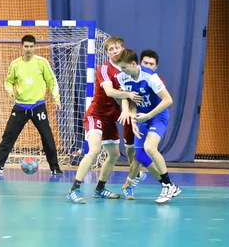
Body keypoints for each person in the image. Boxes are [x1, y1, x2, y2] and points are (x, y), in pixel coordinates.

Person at [67, 36, 143, 204]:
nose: (115, 51)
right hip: (97, 114)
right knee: (94, 150)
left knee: (114, 154)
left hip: (111, 118)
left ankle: (100, 188)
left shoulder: (126, 70)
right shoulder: (104, 69)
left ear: (123, 49)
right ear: (107, 53)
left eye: (117, 48)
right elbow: (110, 92)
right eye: (111, 49)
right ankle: (74, 190)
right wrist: (128, 95)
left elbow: (125, 96)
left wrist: (128, 108)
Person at [0, 34, 63, 175]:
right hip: (20, 106)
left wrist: (56, 98)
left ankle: (55, 167)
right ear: (21, 47)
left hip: (37, 106)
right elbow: (8, 81)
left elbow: (52, 81)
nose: (28, 49)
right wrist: (9, 91)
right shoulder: (15, 64)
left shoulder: (42, 62)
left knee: (47, 137)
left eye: (31, 46)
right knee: (8, 136)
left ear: (35, 47)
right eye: (26, 46)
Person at [116, 48, 181, 204]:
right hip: (141, 118)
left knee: (150, 148)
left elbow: (168, 100)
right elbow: (130, 100)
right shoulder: (122, 77)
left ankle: (167, 185)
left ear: (133, 63)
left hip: (157, 116)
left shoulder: (150, 76)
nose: (122, 70)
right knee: (140, 156)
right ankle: (169, 186)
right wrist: (132, 118)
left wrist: (148, 116)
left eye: (124, 67)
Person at [121, 49, 165, 200]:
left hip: (149, 119)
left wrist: (148, 116)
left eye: (151, 64)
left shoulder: (155, 80)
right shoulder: (128, 77)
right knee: (131, 154)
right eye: (145, 62)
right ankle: (135, 178)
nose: (148, 65)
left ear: (155, 67)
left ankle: (130, 184)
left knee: (141, 155)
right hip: (133, 118)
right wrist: (130, 114)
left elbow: (166, 100)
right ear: (139, 63)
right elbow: (127, 98)